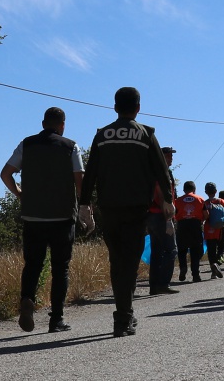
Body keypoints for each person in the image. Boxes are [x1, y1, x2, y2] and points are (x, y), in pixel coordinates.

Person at [79, 87, 177, 337]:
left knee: (116, 260)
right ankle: (123, 317)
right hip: (136, 207)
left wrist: (84, 204)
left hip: (109, 207)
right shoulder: (145, 134)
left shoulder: (102, 135)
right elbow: (160, 170)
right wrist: (167, 199)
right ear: (138, 107)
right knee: (130, 262)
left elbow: (90, 172)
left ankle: (123, 314)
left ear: (114, 107)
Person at [0, 106, 86, 333]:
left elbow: (5, 174)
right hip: (62, 216)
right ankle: (56, 319)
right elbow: (80, 180)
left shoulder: (26, 144)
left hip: (33, 216)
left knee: (33, 265)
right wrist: (85, 208)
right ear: (62, 125)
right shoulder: (70, 146)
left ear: (42, 123)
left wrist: (19, 194)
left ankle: (27, 299)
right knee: (60, 268)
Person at [147, 146, 179, 296]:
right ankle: (163, 283)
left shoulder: (153, 170)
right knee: (171, 250)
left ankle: (154, 285)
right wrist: (168, 219)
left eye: (171, 156)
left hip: (152, 215)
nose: (170, 158)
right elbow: (159, 194)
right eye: (167, 156)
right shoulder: (160, 171)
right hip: (160, 215)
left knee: (157, 251)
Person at [173, 181, 206, 282]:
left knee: (182, 249)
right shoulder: (200, 199)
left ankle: (183, 267)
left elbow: (173, 214)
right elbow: (206, 214)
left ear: (184, 190)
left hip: (182, 225)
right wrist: (201, 221)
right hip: (195, 225)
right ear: (194, 189)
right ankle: (195, 275)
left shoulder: (177, 201)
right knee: (195, 250)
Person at [203, 184, 224, 278]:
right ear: (216, 191)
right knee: (222, 248)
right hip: (220, 228)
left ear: (206, 192)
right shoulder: (221, 201)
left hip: (209, 228)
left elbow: (204, 216)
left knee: (211, 250)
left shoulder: (204, 203)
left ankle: (213, 272)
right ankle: (217, 263)